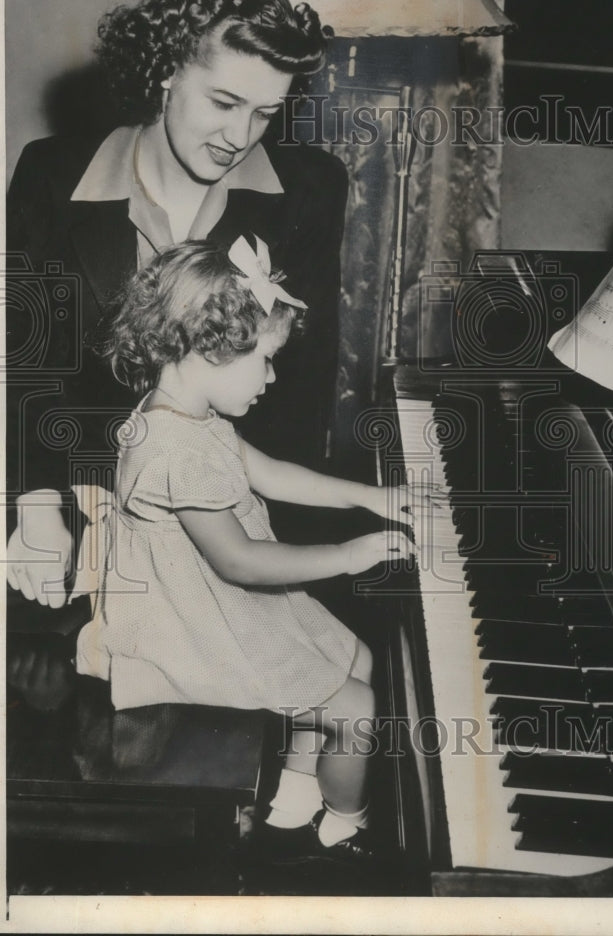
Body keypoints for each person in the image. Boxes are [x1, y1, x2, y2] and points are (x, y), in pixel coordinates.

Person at [6, 0, 348, 608]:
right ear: (164, 73)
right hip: (70, 502)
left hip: (228, 514)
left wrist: (262, 555)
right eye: (223, 102)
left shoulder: (311, 188)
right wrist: (34, 501)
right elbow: (22, 361)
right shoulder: (50, 174)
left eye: (265, 112)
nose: (241, 136)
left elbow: (302, 390)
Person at [75, 236, 417, 859]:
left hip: (220, 600)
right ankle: (348, 827)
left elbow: (275, 475)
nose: (272, 375)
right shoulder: (174, 451)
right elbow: (239, 560)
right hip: (190, 628)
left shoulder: (190, 418)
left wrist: (368, 497)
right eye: (264, 359)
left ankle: (292, 794)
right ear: (209, 349)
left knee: (358, 657)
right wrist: (347, 555)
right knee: (360, 710)